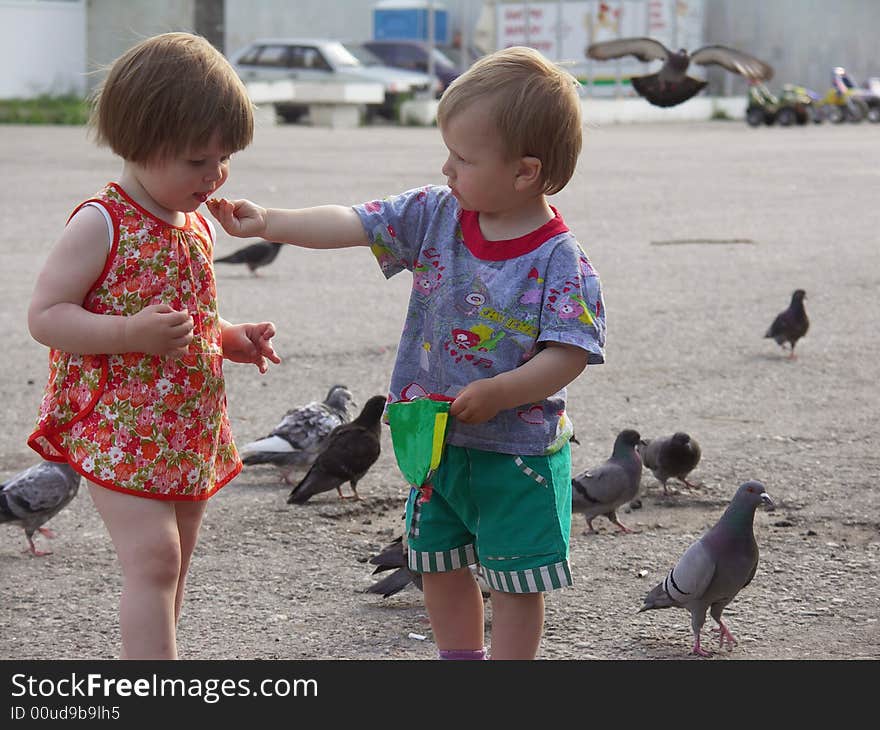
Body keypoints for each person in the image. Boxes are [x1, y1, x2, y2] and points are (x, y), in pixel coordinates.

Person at [208, 46, 605, 660]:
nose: (447, 168)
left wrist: (503, 390)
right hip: (434, 441)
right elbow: (356, 222)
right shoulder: (436, 212)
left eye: (464, 158)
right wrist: (270, 223)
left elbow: (570, 353)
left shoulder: (560, 260)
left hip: (518, 453)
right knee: (437, 564)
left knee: (515, 582)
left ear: (525, 172)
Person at [26, 32, 280, 660]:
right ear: (138, 145)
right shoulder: (102, 221)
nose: (215, 174)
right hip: (119, 424)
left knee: (175, 562)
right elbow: (46, 315)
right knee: (156, 560)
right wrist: (126, 333)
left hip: (183, 424)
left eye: (225, 158)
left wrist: (228, 337)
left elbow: (187, 320)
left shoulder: (192, 220)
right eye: (198, 161)